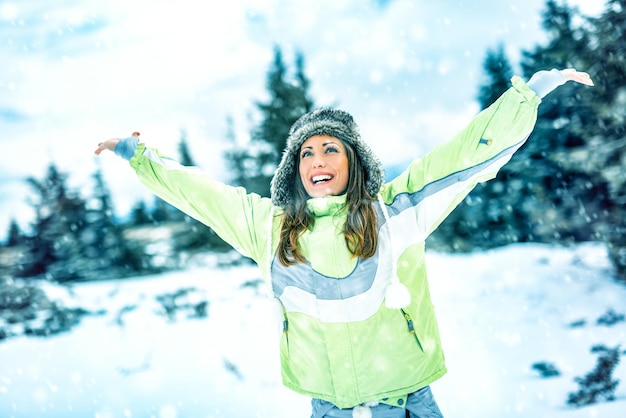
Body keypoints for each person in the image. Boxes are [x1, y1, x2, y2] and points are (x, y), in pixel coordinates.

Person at [95, 68, 593, 418]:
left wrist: (526, 97)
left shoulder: (395, 212)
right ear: (295, 171)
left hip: (408, 404)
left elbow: (462, 158)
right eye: (306, 153)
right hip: (328, 408)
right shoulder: (269, 229)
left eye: (331, 148)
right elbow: (201, 195)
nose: (318, 159)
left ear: (354, 162)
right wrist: (142, 157)